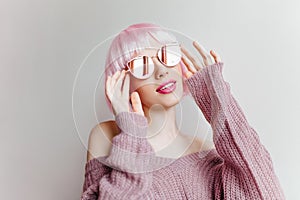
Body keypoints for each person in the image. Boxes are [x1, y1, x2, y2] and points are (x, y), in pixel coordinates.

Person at [81, 23, 285, 199]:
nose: (161, 72)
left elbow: (265, 193)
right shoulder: (106, 136)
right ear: (123, 82)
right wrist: (132, 131)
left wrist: (217, 99)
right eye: (143, 66)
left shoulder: (204, 151)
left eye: (166, 56)